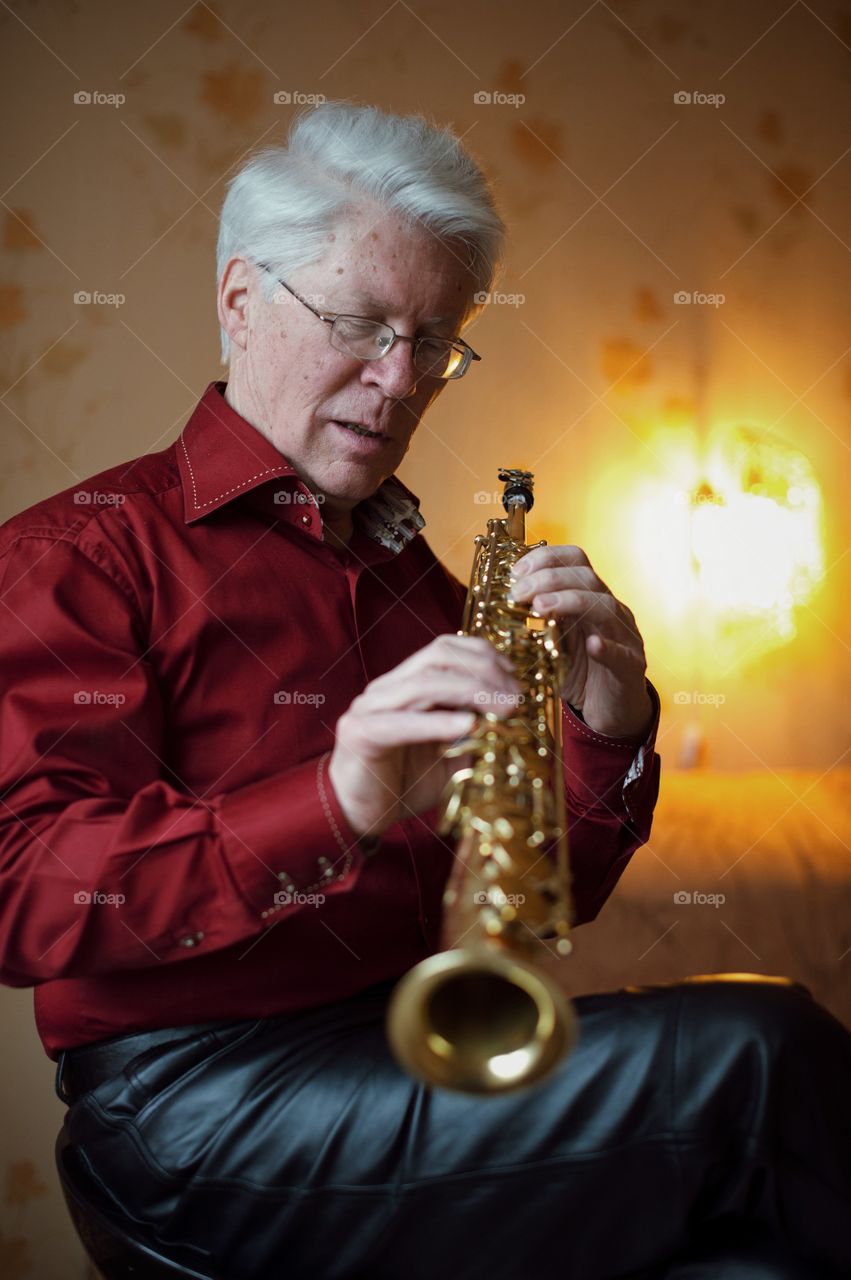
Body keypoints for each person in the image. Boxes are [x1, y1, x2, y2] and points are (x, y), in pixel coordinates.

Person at [0, 102, 848, 1280]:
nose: (398, 382)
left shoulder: (419, 578)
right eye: (358, 324)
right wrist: (335, 794)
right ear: (239, 300)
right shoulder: (77, 556)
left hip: (396, 1045)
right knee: (760, 1053)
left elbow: (539, 900)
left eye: (433, 340)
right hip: (189, 1102)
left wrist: (607, 728)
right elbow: (26, 893)